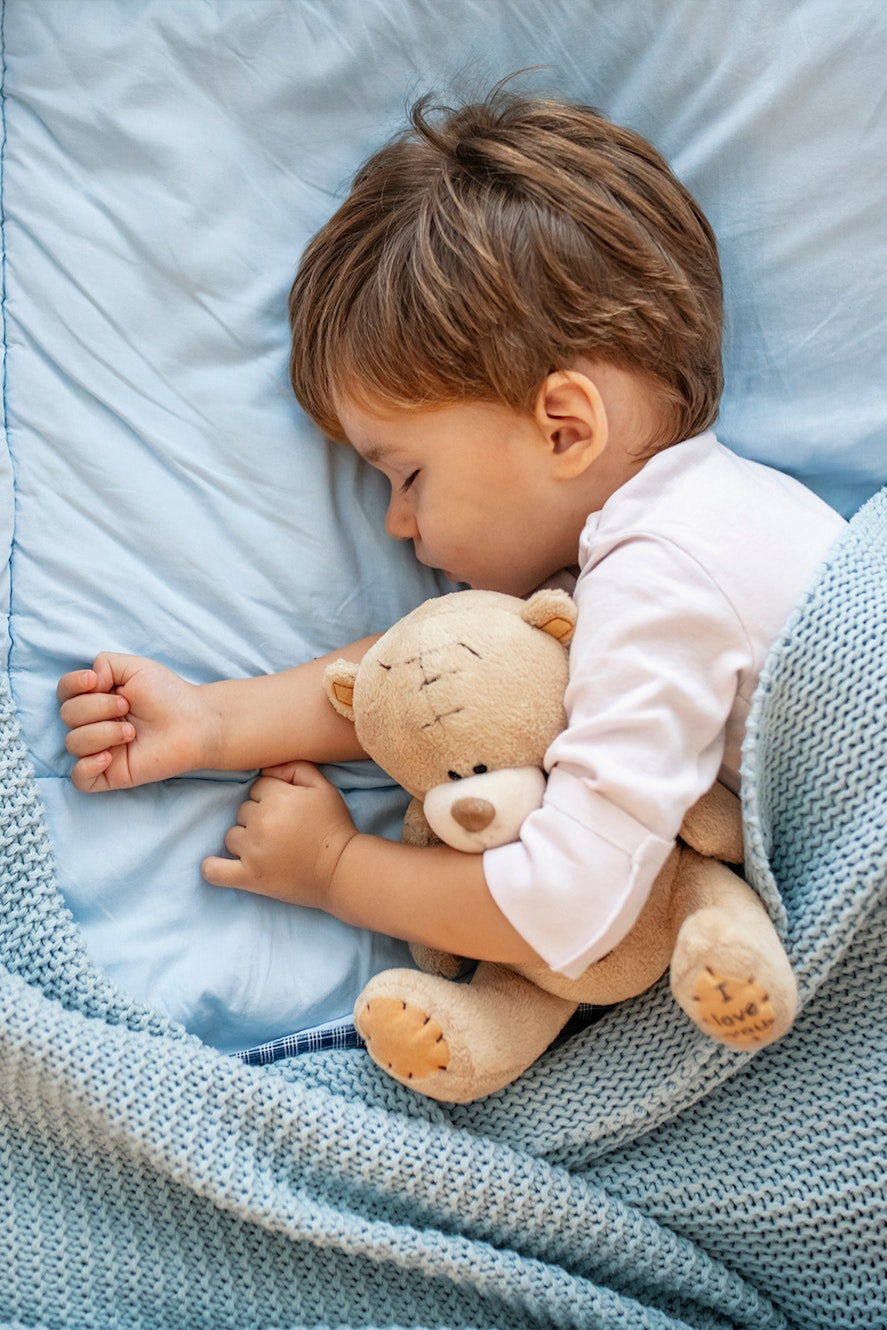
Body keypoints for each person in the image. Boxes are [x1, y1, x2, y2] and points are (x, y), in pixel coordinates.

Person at [57, 88, 845, 980]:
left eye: (408, 475)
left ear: (562, 429)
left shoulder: (662, 576)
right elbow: (445, 679)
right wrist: (211, 724)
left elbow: (569, 904)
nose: (398, 525)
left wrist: (336, 870)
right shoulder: (703, 523)